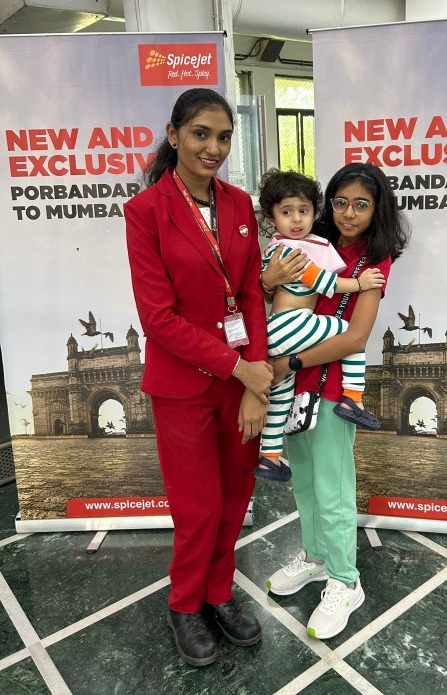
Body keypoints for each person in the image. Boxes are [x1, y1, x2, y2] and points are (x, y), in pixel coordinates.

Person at [123, 88, 305, 667]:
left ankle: (219, 594)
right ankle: (184, 603)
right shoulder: (145, 211)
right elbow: (158, 319)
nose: (214, 148)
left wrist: (254, 383)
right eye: (201, 134)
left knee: (233, 499)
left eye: (224, 137)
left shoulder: (238, 204)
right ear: (174, 134)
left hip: (241, 383)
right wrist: (239, 368)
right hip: (182, 387)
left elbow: (250, 292)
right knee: (197, 507)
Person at [261, 162, 410, 640]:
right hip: (294, 388)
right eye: (341, 202)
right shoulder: (309, 242)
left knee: (334, 488)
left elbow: (356, 337)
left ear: (377, 210)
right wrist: (268, 281)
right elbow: (270, 295)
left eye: (361, 205)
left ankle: (346, 581)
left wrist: (289, 363)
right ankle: (317, 557)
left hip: (326, 385)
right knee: (305, 483)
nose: (348, 213)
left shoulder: (375, 263)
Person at [254, 168, 385, 483]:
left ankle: (269, 458)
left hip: (279, 331)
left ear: (315, 212)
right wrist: (359, 283)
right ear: (271, 217)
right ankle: (353, 396)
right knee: (347, 333)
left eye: (303, 211)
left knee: (280, 399)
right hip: (293, 324)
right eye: (287, 212)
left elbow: (268, 290)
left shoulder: (281, 244)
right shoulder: (293, 248)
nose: (297, 219)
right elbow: (322, 282)